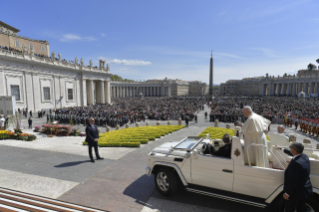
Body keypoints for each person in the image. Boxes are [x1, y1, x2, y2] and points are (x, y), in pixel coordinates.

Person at [283, 142, 312, 212]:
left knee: (289, 209)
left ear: (294, 149)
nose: (290, 148)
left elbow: (294, 181)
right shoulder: (304, 157)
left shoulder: (296, 164)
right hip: (304, 190)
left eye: (290, 147)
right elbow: (295, 154)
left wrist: (287, 193)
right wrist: (283, 149)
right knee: (301, 209)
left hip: (295, 193)